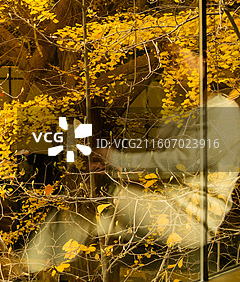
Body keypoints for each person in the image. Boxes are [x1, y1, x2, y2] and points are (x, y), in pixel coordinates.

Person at [22, 47, 240, 274]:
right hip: (161, 202)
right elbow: (158, 159)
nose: (175, 68)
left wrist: (117, 162)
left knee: (97, 202)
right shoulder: (179, 114)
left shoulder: (223, 111)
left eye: (182, 59)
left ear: (203, 61)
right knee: (81, 209)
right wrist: (111, 167)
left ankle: (33, 268)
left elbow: (183, 161)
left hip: (192, 216)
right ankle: (35, 268)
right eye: (172, 61)